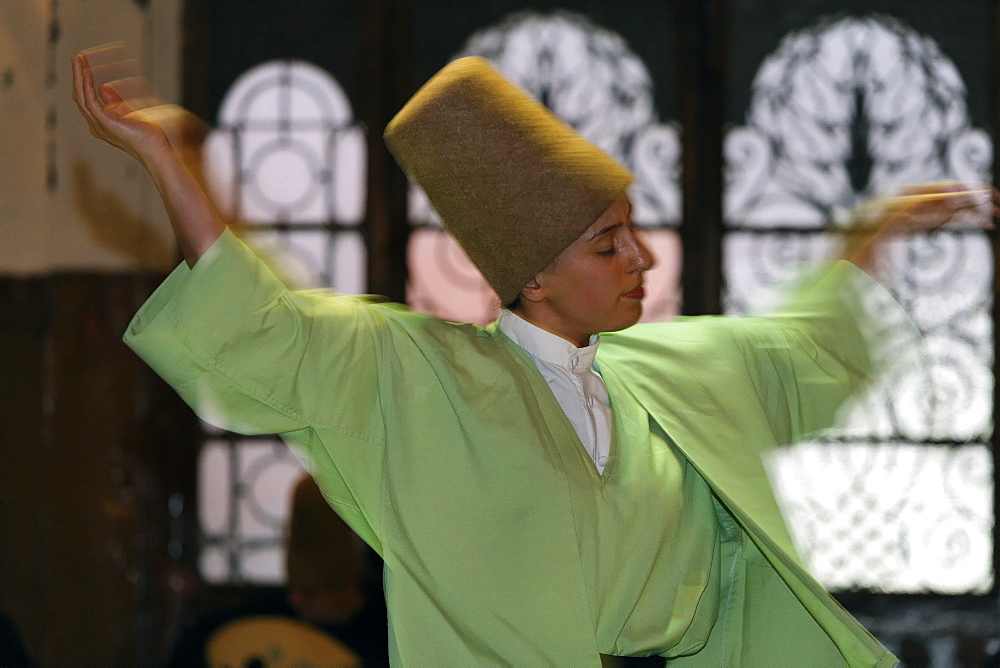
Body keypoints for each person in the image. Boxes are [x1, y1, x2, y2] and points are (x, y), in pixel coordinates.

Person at [72, 45, 995, 666]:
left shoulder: (676, 373)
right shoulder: (419, 372)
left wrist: (888, 226)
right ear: (535, 279)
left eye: (634, 233)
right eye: (608, 245)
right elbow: (261, 327)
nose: (643, 259)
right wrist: (165, 163)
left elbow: (809, 344)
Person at [166, 475, 389, 667]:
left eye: (311, 592)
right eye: (298, 589)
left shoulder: (385, 632)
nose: (297, 600)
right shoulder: (252, 622)